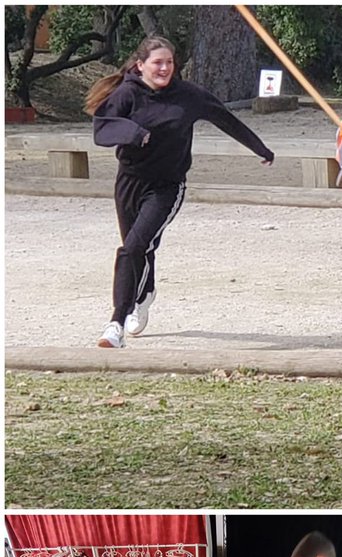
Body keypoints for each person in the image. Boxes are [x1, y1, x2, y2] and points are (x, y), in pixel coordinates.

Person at [84, 36, 274, 349]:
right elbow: (102, 129)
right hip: (129, 183)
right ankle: (144, 294)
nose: (164, 68)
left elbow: (224, 118)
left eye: (169, 62)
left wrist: (260, 148)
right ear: (141, 65)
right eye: (157, 62)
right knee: (138, 249)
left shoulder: (188, 96)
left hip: (167, 187)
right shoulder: (127, 93)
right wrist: (133, 133)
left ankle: (115, 323)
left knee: (134, 247)